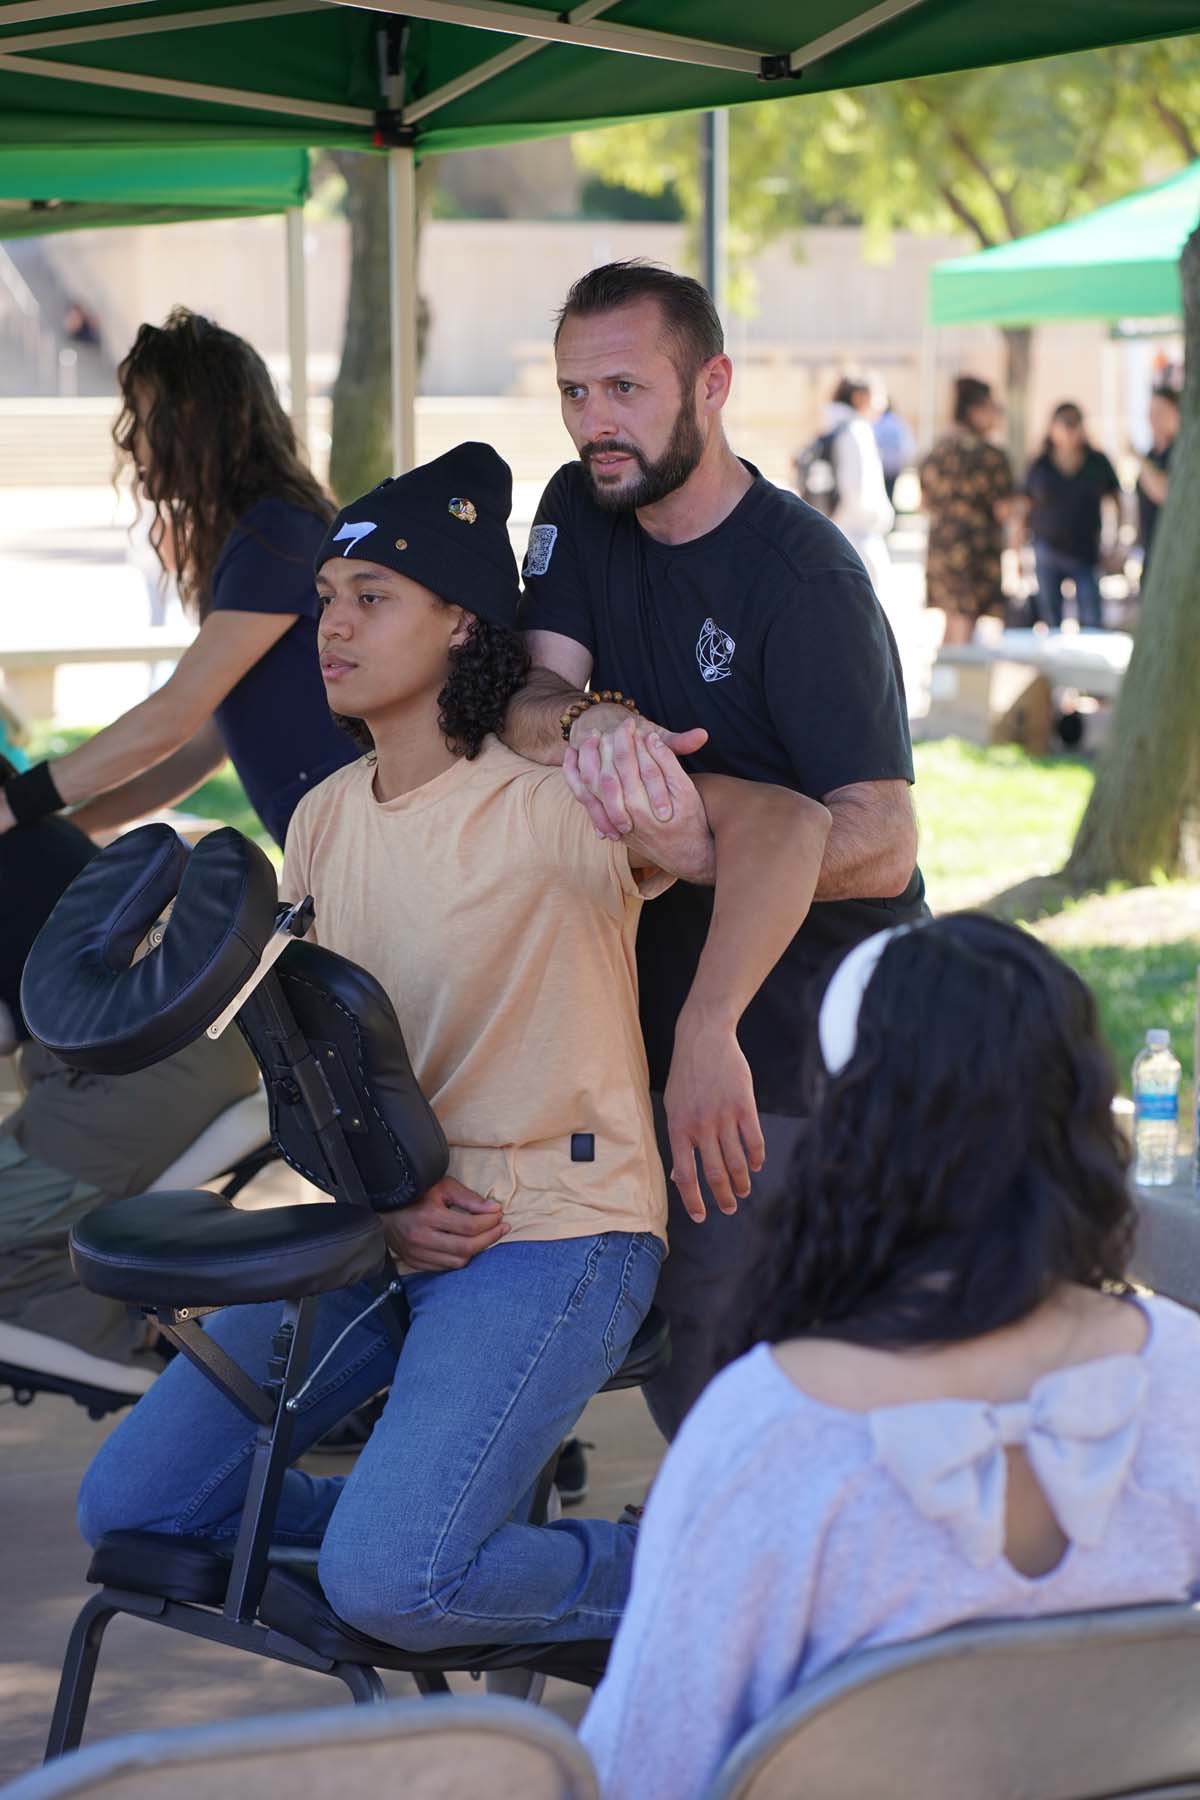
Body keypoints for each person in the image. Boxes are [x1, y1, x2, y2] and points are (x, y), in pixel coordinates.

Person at [77, 444, 831, 1652]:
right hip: (392, 1233)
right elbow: (321, 1072)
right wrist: (377, 1211)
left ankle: (715, 1562)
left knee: (393, 1583)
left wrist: (708, 1029)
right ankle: (411, 1524)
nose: (332, 626)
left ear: (462, 625)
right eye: (326, 599)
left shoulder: (559, 793)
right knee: (132, 1504)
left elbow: (788, 824)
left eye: (370, 600)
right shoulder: (321, 821)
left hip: (559, 1231)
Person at [582, 914, 1200, 1800]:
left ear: (845, 1133)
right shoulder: (1182, 1375)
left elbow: (645, 1772)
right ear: (1078, 1115)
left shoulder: (768, 1433)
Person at [509, 260, 923, 1439]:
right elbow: (532, 690)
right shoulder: (583, 507)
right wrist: (596, 725)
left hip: (799, 1039)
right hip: (647, 1019)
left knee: (739, 1381)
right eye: (575, 392)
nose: (597, 423)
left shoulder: (806, 581)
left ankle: (794, 1607)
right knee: (678, 1356)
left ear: (715, 385)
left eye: (627, 388)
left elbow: (885, 844)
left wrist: (698, 846)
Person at [0, 308, 356, 850]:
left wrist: (16, 803)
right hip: (332, 847)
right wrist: (64, 829)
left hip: (364, 847)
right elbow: (199, 749)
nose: (129, 442)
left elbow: (170, 717)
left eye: (140, 416)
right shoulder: (256, 531)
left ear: (191, 417)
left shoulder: (278, 531)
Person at [0, 805, 259, 1392]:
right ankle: (142, 1328)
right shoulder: (46, 838)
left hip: (135, 1076)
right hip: (170, 1059)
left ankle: (144, 1335)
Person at [919, 375, 1014, 648]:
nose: (997, 417)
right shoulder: (991, 456)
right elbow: (1004, 510)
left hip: (941, 548)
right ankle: (955, 687)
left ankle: (944, 686)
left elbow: (923, 504)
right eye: (993, 409)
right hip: (975, 551)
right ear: (975, 411)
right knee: (965, 626)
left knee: (952, 622)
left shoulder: (937, 451)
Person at [1022, 402, 1121, 631]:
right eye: (1063, 425)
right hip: (1046, 548)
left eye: (1074, 424)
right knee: (1051, 621)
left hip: (1085, 550)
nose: (1069, 432)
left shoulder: (1097, 462)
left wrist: (1116, 542)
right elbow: (1024, 504)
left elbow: (1116, 501)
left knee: (1092, 621)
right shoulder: (1040, 464)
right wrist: (1018, 550)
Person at [824, 376, 895, 596]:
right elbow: (857, 487)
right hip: (860, 533)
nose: (882, 404)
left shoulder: (831, 426)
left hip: (835, 526)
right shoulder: (857, 432)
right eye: (878, 397)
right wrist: (880, 518)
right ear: (859, 397)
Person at [1136, 384, 1180, 579]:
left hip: (1174, 553)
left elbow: (1164, 493)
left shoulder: (1179, 454)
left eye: (1161, 412)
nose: (1154, 419)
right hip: (1151, 550)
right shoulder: (1151, 455)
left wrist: (1137, 458)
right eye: (1152, 412)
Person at [874, 395, 916, 506]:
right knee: (890, 492)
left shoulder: (877, 422)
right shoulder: (898, 423)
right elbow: (908, 445)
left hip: (882, 465)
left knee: (881, 493)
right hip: (895, 467)